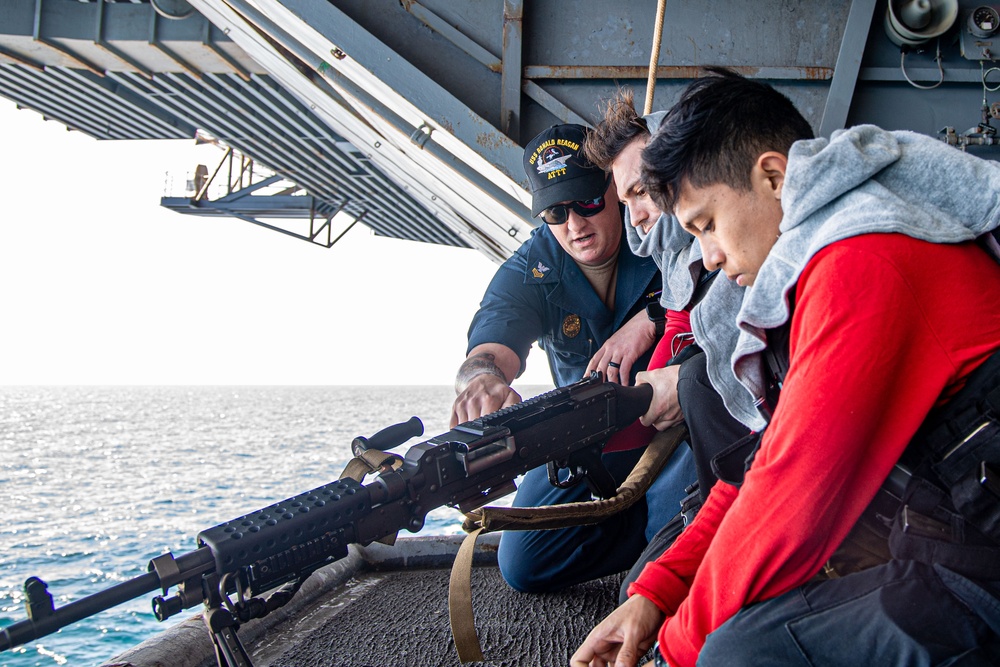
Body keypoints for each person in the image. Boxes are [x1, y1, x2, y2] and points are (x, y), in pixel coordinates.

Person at [572, 69, 1000, 667]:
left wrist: (671, 651)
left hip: (978, 571)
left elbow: (791, 500)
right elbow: (764, 463)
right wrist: (656, 593)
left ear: (774, 177)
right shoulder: (831, 254)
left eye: (709, 226)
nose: (711, 258)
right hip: (945, 539)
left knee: (739, 654)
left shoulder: (864, 261)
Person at [450, 123, 697, 593]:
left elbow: (724, 267)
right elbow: (487, 351)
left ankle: (664, 540)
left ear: (614, 186)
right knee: (526, 565)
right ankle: (647, 533)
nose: (575, 224)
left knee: (665, 571)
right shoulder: (530, 269)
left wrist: (651, 316)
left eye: (587, 202)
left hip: (677, 423)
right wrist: (482, 382)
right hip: (593, 439)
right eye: (556, 212)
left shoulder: (658, 224)